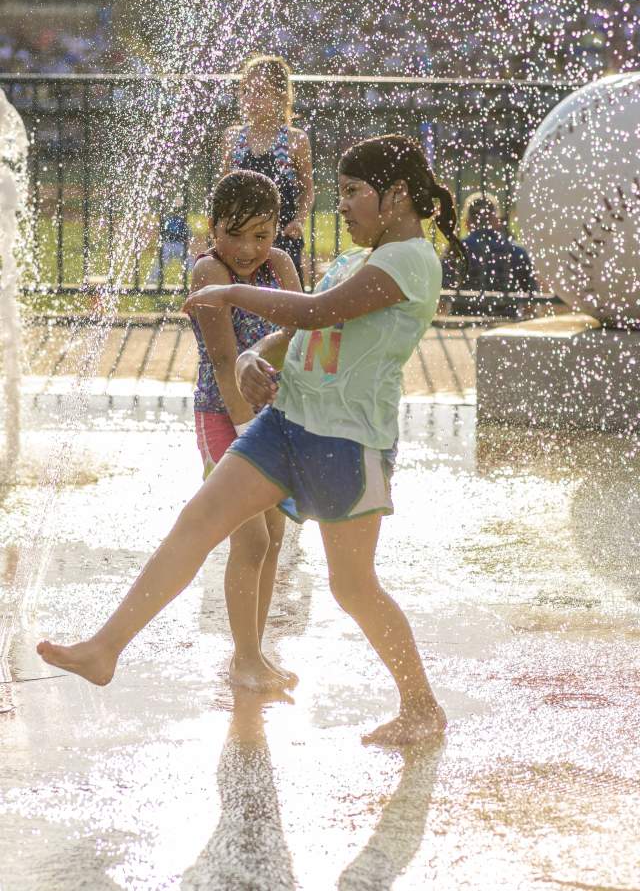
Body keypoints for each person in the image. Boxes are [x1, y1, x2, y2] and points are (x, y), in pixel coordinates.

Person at [37, 135, 465, 747]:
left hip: (347, 440)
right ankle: (105, 649)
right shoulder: (357, 256)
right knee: (198, 519)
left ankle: (421, 705)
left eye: (352, 193)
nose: (339, 206)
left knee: (353, 586)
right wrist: (251, 358)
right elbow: (299, 326)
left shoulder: (410, 261)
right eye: (339, 192)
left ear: (396, 196)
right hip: (287, 422)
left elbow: (318, 311)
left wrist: (232, 292)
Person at [189, 169, 302, 688]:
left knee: (274, 535)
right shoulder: (208, 274)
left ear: (277, 229)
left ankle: (251, 654)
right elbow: (222, 355)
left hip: (271, 417)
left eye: (261, 235)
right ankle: (245, 658)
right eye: (235, 233)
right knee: (250, 539)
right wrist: (244, 426)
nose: (248, 248)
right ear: (213, 229)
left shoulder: (277, 264)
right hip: (224, 415)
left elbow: (299, 334)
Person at [221, 54, 314, 286]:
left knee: (282, 298)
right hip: (239, 237)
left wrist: (299, 221)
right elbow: (222, 189)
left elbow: (307, 189)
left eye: (261, 92)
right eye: (246, 91)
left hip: (280, 236)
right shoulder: (233, 138)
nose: (251, 99)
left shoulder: (294, 140)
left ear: (281, 97)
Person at [442, 192, 537, 316]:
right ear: (496, 220)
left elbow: (441, 295)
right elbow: (531, 301)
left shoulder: (455, 251)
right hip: (506, 320)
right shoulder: (516, 251)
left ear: (467, 222)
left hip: (463, 320)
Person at [149, 197, 193, 285]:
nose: (177, 211)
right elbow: (163, 232)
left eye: (179, 209)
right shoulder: (169, 220)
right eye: (176, 209)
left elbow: (188, 234)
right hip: (168, 244)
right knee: (161, 262)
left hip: (180, 245)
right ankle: (152, 283)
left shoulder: (183, 220)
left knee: (190, 263)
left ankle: (195, 281)